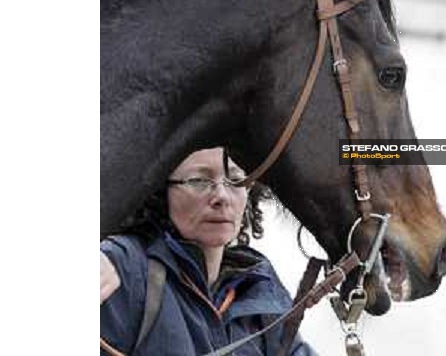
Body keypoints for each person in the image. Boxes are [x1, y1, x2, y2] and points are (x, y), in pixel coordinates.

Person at [100, 147, 317, 355]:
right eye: (199, 180)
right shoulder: (123, 267)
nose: (221, 196)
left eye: (235, 179)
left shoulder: (260, 283)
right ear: (159, 190)